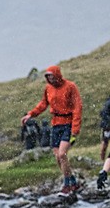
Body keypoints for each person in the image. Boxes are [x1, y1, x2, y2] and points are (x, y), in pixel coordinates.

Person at [21, 65, 82, 194]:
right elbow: (43, 104)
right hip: (55, 124)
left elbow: (77, 108)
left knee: (62, 154)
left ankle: (66, 184)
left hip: (68, 123)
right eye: (48, 77)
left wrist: (75, 129)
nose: (51, 79)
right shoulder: (48, 88)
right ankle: (73, 181)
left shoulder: (70, 86)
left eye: (52, 76)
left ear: (58, 75)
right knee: (58, 158)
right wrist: (31, 114)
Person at [99, 96, 110, 160]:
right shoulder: (108, 103)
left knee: (105, 143)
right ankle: (102, 160)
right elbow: (103, 113)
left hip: (107, 125)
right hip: (107, 127)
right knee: (105, 143)